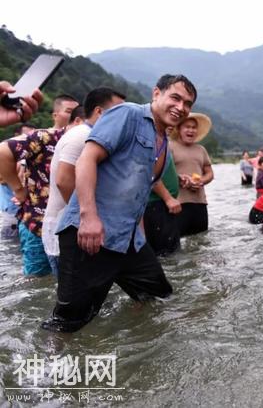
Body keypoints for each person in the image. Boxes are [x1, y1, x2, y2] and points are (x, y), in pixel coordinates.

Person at [41, 74, 197, 333]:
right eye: (176, 97)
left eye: (188, 103)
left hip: (129, 241)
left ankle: (136, 343)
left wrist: (142, 238)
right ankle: (52, 370)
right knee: (70, 322)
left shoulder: (162, 142)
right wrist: (88, 217)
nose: (181, 107)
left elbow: (138, 194)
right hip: (90, 236)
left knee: (158, 296)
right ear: (156, 93)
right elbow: (87, 159)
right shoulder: (127, 114)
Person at [43, 88, 127, 270]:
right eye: (118, 111)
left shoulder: (94, 136)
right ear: (98, 111)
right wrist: (86, 218)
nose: (123, 117)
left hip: (76, 230)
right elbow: (63, 180)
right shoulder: (82, 135)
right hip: (67, 229)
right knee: (72, 294)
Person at [0, 123, 67, 276]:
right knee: (35, 276)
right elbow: (3, 154)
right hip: (31, 221)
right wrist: (18, 189)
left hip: (61, 225)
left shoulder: (81, 144)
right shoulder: (43, 139)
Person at [170, 112, 214, 236]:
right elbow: (163, 174)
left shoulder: (201, 149)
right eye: (187, 127)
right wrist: (180, 179)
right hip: (178, 203)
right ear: (179, 129)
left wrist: (201, 181)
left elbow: (209, 173)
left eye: (194, 127)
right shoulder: (169, 147)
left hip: (200, 203)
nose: (191, 130)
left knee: (201, 241)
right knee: (179, 242)